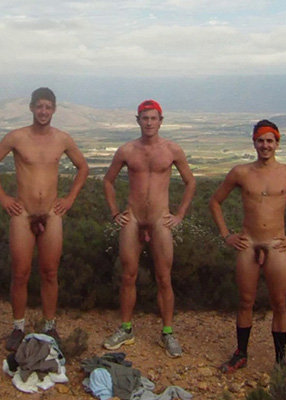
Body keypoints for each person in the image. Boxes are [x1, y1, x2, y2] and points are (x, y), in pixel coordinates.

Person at [209, 119, 286, 372]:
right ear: (254, 143)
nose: (265, 145)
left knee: (279, 303)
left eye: (270, 141)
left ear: (277, 143)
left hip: (276, 245)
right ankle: (241, 354)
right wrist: (226, 234)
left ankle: (281, 360)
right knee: (245, 301)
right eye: (260, 140)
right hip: (248, 243)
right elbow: (215, 202)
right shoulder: (240, 172)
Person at [0, 87, 89, 352]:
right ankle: (18, 327)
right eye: (39, 106)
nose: (43, 111)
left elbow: (83, 167)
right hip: (23, 213)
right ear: (31, 107)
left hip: (52, 213)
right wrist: (3, 197)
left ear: (54, 109)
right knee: (20, 273)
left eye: (48, 107)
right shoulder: (17, 137)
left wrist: (70, 199)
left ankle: (49, 326)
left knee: (50, 272)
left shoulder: (62, 139)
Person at [102, 100, 196, 358]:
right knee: (128, 276)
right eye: (145, 118)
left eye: (153, 118)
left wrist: (179, 215)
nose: (149, 123)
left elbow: (190, 182)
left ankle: (167, 332)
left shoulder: (172, 150)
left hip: (159, 220)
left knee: (164, 278)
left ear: (161, 121)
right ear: (138, 120)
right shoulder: (126, 150)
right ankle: (126, 328)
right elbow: (108, 181)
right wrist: (115, 212)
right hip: (132, 218)